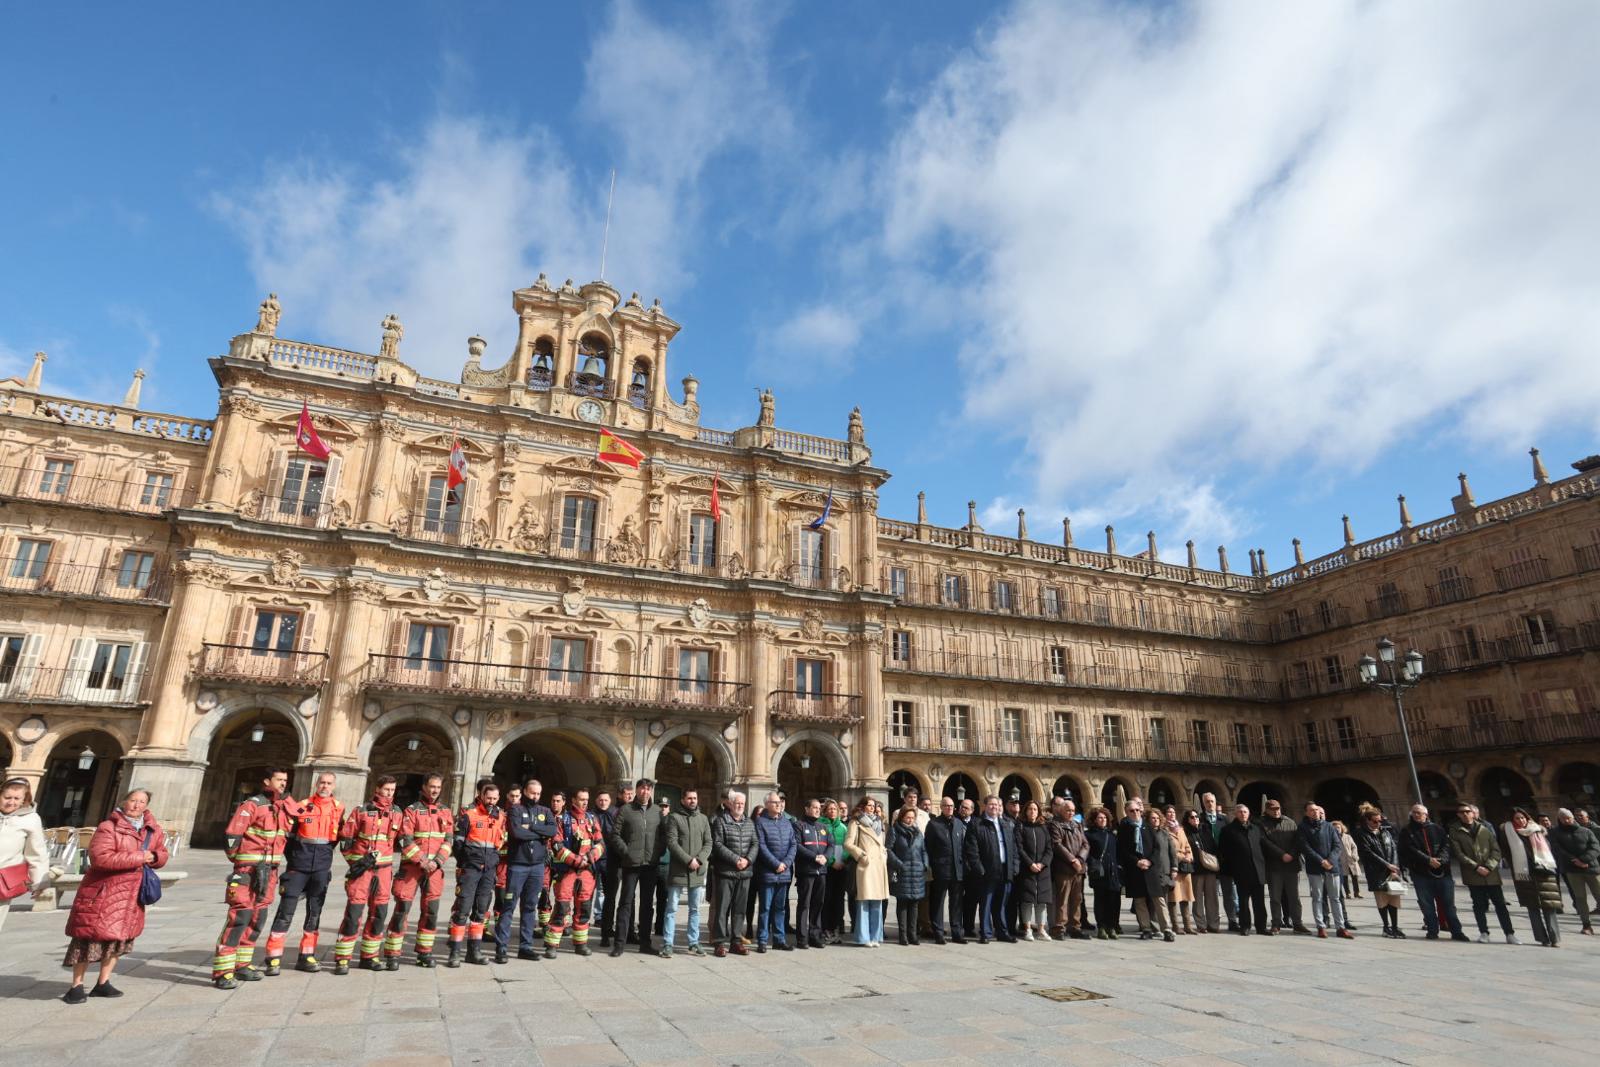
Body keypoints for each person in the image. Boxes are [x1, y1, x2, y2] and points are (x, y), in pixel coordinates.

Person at [61, 789, 167, 1004]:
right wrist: (140, 857)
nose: (137, 805)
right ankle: (76, 986)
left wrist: (154, 857)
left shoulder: (152, 830)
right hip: (104, 892)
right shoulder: (108, 827)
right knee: (87, 939)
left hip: (131, 894)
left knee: (118, 940)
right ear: (124, 801)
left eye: (142, 802)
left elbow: (162, 854)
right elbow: (101, 859)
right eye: (133, 800)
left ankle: (103, 982)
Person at [214, 767, 301, 988]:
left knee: (257, 917)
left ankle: (242, 965)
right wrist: (240, 862)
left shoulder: (283, 807)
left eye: (285, 780)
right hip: (248, 869)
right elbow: (232, 836)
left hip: (270, 870)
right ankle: (223, 970)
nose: (282, 783)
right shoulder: (253, 804)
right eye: (278, 779)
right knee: (240, 917)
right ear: (267, 781)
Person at [264, 771, 343, 974]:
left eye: (329, 783)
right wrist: (296, 860)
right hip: (298, 867)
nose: (325, 786)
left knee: (314, 913)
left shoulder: (339, 809)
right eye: (322, 782)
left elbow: (335, 839)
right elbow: (289, 838)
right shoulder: (302, 806)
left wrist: (323, 859)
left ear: (333, 786)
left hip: (321, 868)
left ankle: (306, 956)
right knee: (285, 911)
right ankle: (273, 957)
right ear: (316, 784)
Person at [385, 773, 452, 968]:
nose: (434, 791)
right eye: (432, 787)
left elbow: (449, 840)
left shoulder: (446, 811)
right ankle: (392, 953)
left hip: (434, 870)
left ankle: (424, 953)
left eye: (438, 788)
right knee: (402, 910)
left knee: (431, 912)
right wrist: (422, 860)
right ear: (424, 787)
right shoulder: (411, 810)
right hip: (412, 869)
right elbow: (405, 839)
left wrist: (438, 861)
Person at [495, 776, 555, 963]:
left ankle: (525, 946)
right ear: (525, 792)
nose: (535, 796)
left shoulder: (545, 811)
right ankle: (502, 947)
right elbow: (517, 832)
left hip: (537, 866)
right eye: (532, 793)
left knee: (530, 907)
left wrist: (533, 827)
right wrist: (539, 833)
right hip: (518, 865)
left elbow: (552, 831)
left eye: (538, 794)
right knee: (509, 907)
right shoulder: (515, 810)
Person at [445, 778, 504, 966]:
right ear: (481, 796)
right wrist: (466, 863)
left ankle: (474, 952)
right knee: (462, 910)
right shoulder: (469, 815)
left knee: (481, 910)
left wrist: (493, 861)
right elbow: (458, 844)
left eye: (495, 798)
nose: (492, 801)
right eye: (489, 798)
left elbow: (500, 841)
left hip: (489, 870)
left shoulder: (500, 816)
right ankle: (454, 953)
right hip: (471, 868)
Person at [1449, 802, 1518, 944]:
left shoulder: (1485, 828)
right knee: (1479, 905)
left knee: (1500, 904)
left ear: (1473, 813)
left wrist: (1489, 866)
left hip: (1491, 874)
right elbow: (1459, 853)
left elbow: (1496, 849)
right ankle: (1484, 932)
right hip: (1473, 875)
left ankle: (1509, 933)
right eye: (1462, 812)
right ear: (1458, 815)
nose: (1465, 814)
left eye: (1467, 811)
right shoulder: (1455, 830)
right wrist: (1476, 867)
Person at [545, 788, 604, 957]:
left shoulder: (592, 819)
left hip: (587, 871)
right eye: (581, 799)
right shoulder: (562, 820)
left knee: (584, 908)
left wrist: (590, 857)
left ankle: (580, 944)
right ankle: (552, 945)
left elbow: (600, 843)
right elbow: (557, 846)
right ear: (573, 800)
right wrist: (577, 860)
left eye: (587, 799)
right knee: (562, 907)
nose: (585, 802)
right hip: (567, 871)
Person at [610, 778, 664, 957]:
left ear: (651, 792)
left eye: (648, 789)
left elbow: (663, 835)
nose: (645, 792)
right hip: (630, 864)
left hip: (650, 864)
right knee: (625, 903)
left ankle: (645, 943)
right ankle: (619, 943)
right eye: (642, 789)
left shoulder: (657, 811)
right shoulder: (626, 810)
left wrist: (658, 852)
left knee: (647, 905)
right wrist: (626, 852)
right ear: (637, 790)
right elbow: (615, 835)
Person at [1398, 803, 1468, 940]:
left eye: (1419, 813)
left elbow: (1446, 847)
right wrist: (1427, 860)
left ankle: (1457, 931)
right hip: (1420, 873)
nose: (1416, 815)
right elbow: (1408, 850)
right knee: (1426, 904)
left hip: (1443, 872)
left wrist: (1440, 860)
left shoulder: (1437, 829)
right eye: (1414, 812)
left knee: (1449, 904)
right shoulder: (1407, 831)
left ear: (1426, 815)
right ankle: (1432, 930)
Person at [1501, 806, 1562, 947]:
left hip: (1544, 871)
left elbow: (1548, 848)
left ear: (1527, 817)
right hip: (1524, 874)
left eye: (1523, 817)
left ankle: (1554, 938)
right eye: (1517, 818)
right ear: (1512, 820)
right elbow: (1506, 851)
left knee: (1550, 906)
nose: (1521, 820)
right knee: (1533, 908)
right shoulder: (1508, 832)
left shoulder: (1537, 829)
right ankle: (1542, 938)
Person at [963, 794, 1019, 943]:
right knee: (986, 904)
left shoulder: (1006, 824)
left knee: (1001, 904)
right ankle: (986, 933)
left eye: (997, 805)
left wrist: (1014, 867)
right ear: (985, 806)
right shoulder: (977, 824)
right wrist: (979, 869)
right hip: (987, 871)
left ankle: (1002, 932)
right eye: (991, 804)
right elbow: (971, 851)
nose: (994, 807)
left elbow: (1013, 848)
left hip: (1005, 870)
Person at [663, 788, 712, 957]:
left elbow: (708, 843)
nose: (693, 801)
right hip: (679, 870)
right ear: (683, 800)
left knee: (695, 909)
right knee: (671, 908)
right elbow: (672, 842)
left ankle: (693, 942)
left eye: (695, 798)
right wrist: (688, 860)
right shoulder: (674, 818)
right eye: (689, 798)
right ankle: (668, 943)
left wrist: (698, 860)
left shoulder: (703, 819)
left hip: (697, 871)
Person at [1117, 797, 1174, 941]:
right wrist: (1137, 862)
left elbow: (1157, 848)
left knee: (1158, 899)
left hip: (1150, 869)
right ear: (1126, 812)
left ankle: (1167, 928)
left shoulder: (1147, 827)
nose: (1135, 813)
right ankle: (1146, 928)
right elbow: (1123, 850)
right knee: (1139, 901)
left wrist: (1149, 861)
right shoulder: (1124, 829)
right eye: (1132, 811)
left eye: (1137, 810)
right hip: (1135, 869)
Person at [710, 790, 757, 957]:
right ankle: (719, 943)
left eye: (742, 804)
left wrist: (748, 860)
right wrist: (736, 859)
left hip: (744, 873)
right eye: (737, 803)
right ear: (730, 804)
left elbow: (755, 844)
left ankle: (736, 941)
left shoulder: (749, 823)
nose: (740, 806)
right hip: (726, 872)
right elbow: (717, 844)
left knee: (740, 910)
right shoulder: (721, 821)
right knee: (722, 909)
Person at [0, 777, 49, 934]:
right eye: (7, 797)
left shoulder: (31, 819)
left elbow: (37, 853)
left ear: (24, 800)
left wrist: (40, 883)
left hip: (2, 880)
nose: (11, 802)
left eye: (16, 798)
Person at [1298, 802, 1352, 939]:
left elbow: (1337, 845)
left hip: (1332, 868)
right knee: (1317, 897)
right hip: (1315, 868)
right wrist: (1321, 861)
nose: (1315, 812)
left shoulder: (1329, 826)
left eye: (1316, 810)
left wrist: (1330, 861)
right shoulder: (1302, 828)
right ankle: (1321, 926)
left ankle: (1340, 927)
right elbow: (1305, 847)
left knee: (1336, 898)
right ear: (1306, 813)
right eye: (1311, 810)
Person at [753, 791, 797, 952]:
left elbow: (793, 844)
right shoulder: (760, 822)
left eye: (779, 802)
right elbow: (761, 846)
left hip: (783, 873)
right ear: (767, 804)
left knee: (780, 908)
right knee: (765, 908)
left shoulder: (786, 822)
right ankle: (762, 940)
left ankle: (779, 939)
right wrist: (775, 864)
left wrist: (785, 863)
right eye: (775, 802)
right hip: (768, 873)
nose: (779, 804)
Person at [1353, 805, 1406, 938]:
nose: (1378, 823)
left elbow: (1394, 849)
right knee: (1383, 901)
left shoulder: (1385, 832)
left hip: (1391, 871)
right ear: (1368, 821)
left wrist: (1394, 867)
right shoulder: (1362, 834)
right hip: (1376, 872)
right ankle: (1386, 927)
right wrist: (1387, 865)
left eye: (1380, 821)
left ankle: (1394, 926)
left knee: (1394, 900)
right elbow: (1367, 853)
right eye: (1375, 821)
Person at [1257, 798, 1308, 934]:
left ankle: (1297, 923)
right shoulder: (1261, 824)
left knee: (1294, 897)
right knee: (1275, 897)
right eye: (1273, 809)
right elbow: (1265, 842)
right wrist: (1281, 854)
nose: (1276, 812)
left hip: (1291, 865)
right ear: (1267, 810)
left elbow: (1298, 841)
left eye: (1278, 809)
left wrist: (1291, 854)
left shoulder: (1290, 822)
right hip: (1274, 866)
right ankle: (1276, 923)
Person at [845, 797, 890, 946]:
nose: (872, 808)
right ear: (862, 807)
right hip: (866, 865)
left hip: (878, 865)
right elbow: (848, 844)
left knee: (877, 901)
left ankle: (876, 936)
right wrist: (861, 855)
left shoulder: (879, 823)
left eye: (874, 805)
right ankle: (863, 937)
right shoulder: (855, 822)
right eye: (869, 805)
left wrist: (884, 854)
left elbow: (881, 843)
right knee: (864, 901)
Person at [1219, 804, 1269, 935]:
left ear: (1249, 813)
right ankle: (1245, 926)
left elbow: (1264, 846)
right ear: (1235, 814)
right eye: (1240, 812)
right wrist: (1233, 867)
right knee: (1243, 901)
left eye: (1245, 812)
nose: (1243, 814)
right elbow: (1224, 851)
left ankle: (1261, 927)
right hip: (1241, 871)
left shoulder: (1256, 828)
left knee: (1259, 901)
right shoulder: (1228, 830)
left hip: (1258, 870)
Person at [1550, 807, 1600, 935]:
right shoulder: (1555, 832)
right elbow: (1557, 849)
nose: (1567, 820)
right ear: (1559, 820)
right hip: (1572, 870)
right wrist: (1575, 861)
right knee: (1580, 897)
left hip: (1591, 868)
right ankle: (1586, 925)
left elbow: (1595, 847)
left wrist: (1584, 860)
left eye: (1569, 818)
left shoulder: (1586, 831)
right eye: (1564, 819)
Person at [925, 795, 967, 944]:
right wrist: (932, 865)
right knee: (938, 902)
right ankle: (938, 932)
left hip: (957, 870)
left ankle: (957, 932)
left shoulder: (958, 824)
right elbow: (928, 847)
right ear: (941, 807)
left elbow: (963, 846)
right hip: (940, 870)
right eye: (946, 805)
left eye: (951, 806)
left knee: (956, 903)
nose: (949, 808)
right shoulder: (934, 824)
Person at [1048, 797, 1090, 939]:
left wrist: (1080, 859)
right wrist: (1072, 860)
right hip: (1064, 868)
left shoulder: (1077, 825)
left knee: (1077, 899)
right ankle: (1059, 928)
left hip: (1078, 869)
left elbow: (1086, 844)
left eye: (1072, 810)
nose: (1071, 813)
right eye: (1068, 810)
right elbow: (1057, 844)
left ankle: (1075, 927)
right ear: (1061, 810)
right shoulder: (1055, 824)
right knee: (1062, 900)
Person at [887, 806, 928, 945]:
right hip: (902, 871)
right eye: (907, 817)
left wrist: (924, 864)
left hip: (917, 871)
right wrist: (899, 864)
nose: (910, 820)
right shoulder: (894, 831)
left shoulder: (918, 833)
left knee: (915, 904)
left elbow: (923, 850)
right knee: (903, 904)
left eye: (912, 818)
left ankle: (913, 934)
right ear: (902, 817)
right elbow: (889, 850)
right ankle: (903, 935)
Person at [1013, 800, 1053, 941]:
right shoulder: (1021, 826)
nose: (1032, 811)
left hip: (1042, 870)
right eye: (1030, 809)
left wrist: (1042, 864)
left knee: (1042, 901)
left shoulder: (1043, 827)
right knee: (1027, 900)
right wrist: (1030, 863)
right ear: (1025, 811)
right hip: (1027, 869)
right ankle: (1028, 928)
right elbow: (1019, 847)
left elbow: (1049, 848)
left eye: (1035, 809)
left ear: (1039, 812)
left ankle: (1041, 929)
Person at [794, 797, 830, 949]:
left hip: (821, 871)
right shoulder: (799, 825)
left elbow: (831, 844)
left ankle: (815, 935)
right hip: (806, 871)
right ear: (806, 809)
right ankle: (802, 938)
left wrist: (825, 857)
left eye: (818, 808)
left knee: (818, 903)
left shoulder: (823, 826)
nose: (817, 810)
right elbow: (797, 845)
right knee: (804, 904)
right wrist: (814, 857)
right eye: (814, 807)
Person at [595, 785, 626, 948]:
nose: (603, 802)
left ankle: (606, 932)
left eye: (606, 800)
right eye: (600, 800)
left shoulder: (616, 814)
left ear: (610, 801)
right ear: (596, 801)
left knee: (610, 898)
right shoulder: (591, 815)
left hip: (611, 862)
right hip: (592, 861)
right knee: (584, 896)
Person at [1199, 792, 1236, 930]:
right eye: (1207, 801)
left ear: (1216, 803)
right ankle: (1213, 922)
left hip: (1225, 862)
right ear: (1204, 804)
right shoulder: (1200, 820)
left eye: (1212, 801)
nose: (1210, 804)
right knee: (1211, 894)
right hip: (1208, 862)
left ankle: (1232, 920)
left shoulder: (1224, 820)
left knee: (1229, 893)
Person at [1085, 807, 1122, 939]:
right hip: (1099, 872)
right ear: (1094, 820)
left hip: (1113, 872)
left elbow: (1117, 853)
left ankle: (1111, 926)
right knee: (1100, 900)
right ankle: (1101, 927)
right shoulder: (1089, 834)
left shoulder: (1111, 835)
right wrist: (1092, 863)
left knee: (1113, 901)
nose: (1103, 820)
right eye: (1100, 818)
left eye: (1105, 818)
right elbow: (1087, 853)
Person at [819, 798, 851, 944]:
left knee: (838, 900)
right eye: (830, 809)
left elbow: (847, 846)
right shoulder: (821, 825)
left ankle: (836, 928)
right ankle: (825, 929)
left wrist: (843, 860)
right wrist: (832, 862)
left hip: (841, 868)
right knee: (827, 899)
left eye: (835, 809)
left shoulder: (843, 828)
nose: (832, 811)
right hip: (827, 867)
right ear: (825, 811)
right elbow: (821, 847)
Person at [1183, 808, 1219, 934]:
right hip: (1196, 870)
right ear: (1187, 820)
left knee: (1212, 897)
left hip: (1209, 868)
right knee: (1197, 898)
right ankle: (1201, 924)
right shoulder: (1186, 833)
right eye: (1192, 817)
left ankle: (1213, 924)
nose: (1195, 819)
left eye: (1196, 816)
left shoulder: (1206, 830)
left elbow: (1214, 846)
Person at [1164, 806, 1196, 935]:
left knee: (1185, 897)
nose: (1171, 814)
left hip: (1185, 867)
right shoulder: (1164, 830)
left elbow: (1187, 845)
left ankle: (1188, 925)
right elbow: (1168, 849)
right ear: (1165, 815)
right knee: (1173, 898)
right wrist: (1182, 857)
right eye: (1168, 812)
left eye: (1173, 812)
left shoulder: (1181, 829)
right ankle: (1175, 925)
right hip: (1174, 867)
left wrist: (1189, 855)